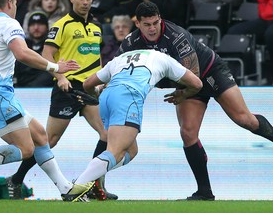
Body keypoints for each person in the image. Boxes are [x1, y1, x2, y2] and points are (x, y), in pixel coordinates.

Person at [116, 1, 273, 200]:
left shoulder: (176, 36)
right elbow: (117, 69)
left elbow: (195, 79)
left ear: (160, 19)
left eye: (156, 22)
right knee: (188, 133)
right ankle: (205, 192)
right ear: (137, 24)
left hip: (208, 73)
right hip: (185, 83)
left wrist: (182, 94)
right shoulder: (130, 43)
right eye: (147, 25)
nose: (153, 28)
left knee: (244, 119)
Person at [0, 0, 94, 202]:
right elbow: (22, 53)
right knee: (25, 149)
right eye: (16, 3)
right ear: (10, 3)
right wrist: (55, 67)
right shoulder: (9, 24)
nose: (16, 6)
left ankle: (66, 188)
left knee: (40, 135)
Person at [7, 0, 118, 201]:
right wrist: (60, 76)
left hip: (88, 90)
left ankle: (95, 185)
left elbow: (96, 58)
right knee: (49, 141)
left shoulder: (96, 28)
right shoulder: (62, 25)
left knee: (107, 135)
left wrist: (99, 80)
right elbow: (47, 56)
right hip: (67, 89)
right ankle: (16, 179)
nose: (86, 2)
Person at [69, 48, 203, 197]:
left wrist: (97, 93)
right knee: (115, 152)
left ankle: (90, 177)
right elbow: (197, 84)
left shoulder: (120, 58)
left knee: (131, 151)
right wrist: (183, 94)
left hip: (106, 98)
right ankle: (77, 187)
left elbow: (87, 84)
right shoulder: (163, 58)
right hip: (129, 97)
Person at [14, 11, 54, 87]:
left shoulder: (52, 46)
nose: (36, 27)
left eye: (40, 24)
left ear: (47, 27)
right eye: (32, 24)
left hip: (45, 89)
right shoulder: (22, 45)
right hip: (21, 90)